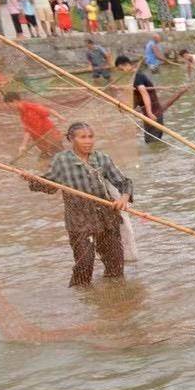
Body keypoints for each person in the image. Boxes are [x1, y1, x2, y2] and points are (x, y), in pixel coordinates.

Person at [32, 121, 134, 287]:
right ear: (71, 139)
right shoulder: (62, 160)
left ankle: (114, 304)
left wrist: (124, 197)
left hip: (106, 219)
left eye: (91, 137)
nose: (88, 141)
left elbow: (124, 182)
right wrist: (33, 180)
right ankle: (80, 299)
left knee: (115, 267)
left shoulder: (102, 158)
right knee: (84, 265)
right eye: (83, 137)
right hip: (79, 220)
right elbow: (49, 187)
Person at [5, 91, 64, 162]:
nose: (9, 107)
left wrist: (60, 117)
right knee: (43, 162)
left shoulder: (31, 107)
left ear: (15, 101)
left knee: (61, 160)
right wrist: (23, 146)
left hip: (50, 137)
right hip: (41, 142)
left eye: (9, 105)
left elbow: (48, 111)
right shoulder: (22, 113)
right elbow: (28, 130)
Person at [121, 55, 164, 143]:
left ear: (125, 65)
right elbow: (138, 98)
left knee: (152, 143)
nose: (122, 72)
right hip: (153, 114)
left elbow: (144, 94)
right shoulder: (135, 77)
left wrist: (149, 113)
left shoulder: (137, 77)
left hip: (153, 114)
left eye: (121, 69)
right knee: (152, 143)